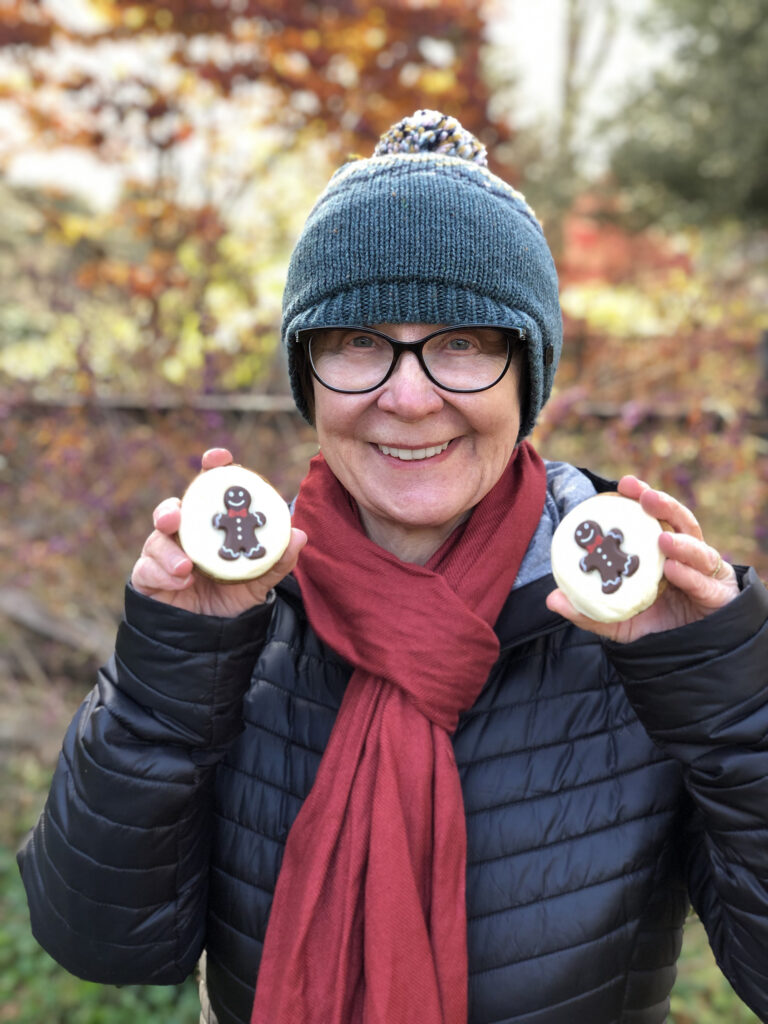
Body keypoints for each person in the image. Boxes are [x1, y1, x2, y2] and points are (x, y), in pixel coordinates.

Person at [17, 110, 768, 1024]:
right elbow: (102, 942)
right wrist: (169, 666)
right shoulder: (240, 611)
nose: (408, 397)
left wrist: (729, 701)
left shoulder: (646, 627)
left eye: (463, 342)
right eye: (359, 341)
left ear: (525, 373)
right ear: (308, 373)